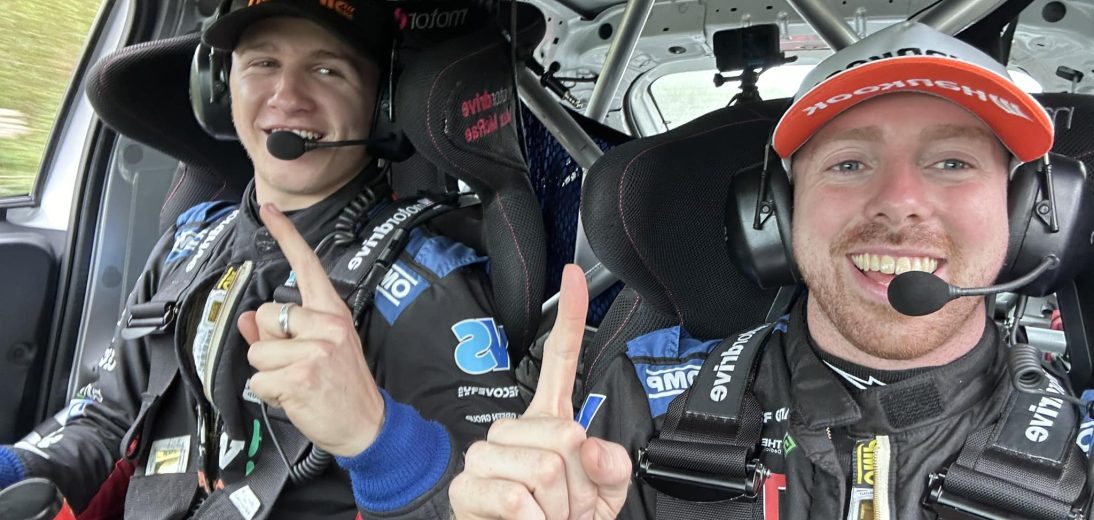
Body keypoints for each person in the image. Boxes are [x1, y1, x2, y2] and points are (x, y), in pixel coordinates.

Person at [449, 21, 1091, 519]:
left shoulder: (1083, 450)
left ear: (1031, 215)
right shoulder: (640, 407)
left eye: (952, 163)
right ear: (776, 214)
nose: (900, 202)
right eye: (849, 163)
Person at [0, 1, 522, 518]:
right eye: (263, 63)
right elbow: (108, 423)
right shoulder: (189, 242)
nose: (286, 96)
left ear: (383, 100)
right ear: (219, 87)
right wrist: (13, 470)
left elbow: (488, 499)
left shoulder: (426, 285)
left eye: (326, 69)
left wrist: (376, 436)